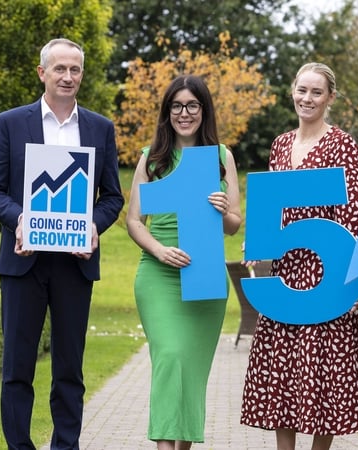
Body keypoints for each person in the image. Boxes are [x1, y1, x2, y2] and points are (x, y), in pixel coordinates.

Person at [0, 38, 124, 450]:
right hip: (23, 261)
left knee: (69, 370)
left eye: (75, 69)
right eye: (59, 69)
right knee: (16, 369)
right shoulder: (11, 122)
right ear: (42, 72)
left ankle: (66, 445)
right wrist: (21, 220)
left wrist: (94, 226)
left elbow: (113, 197)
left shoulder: (100, 128)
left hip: (74, 263)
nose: (68, 76)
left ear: (82, 74)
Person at [240, 62, 358, 450]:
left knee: (323, 373)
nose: (307, 99)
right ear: (292, 91)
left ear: (329, 98)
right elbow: (270, 208)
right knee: (282, 374)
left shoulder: (343, 145)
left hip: (326, 272)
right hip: (286, 273)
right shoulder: (280, 144)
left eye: (316, 92)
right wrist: (258, 243)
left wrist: (352, 279)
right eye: (302, 90)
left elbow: (352, 217)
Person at [126, 74, 242, 450]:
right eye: (176, 106)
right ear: (167, 112)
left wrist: (224, 210)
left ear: (204, 110)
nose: (184, 113)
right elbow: (133, 221)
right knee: (170, 360)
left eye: (192, 105)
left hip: (205, 277)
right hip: (159, 275)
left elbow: (233, 226)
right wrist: (159, 250)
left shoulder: (222, 158)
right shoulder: (151, 158)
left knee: (191, 372)